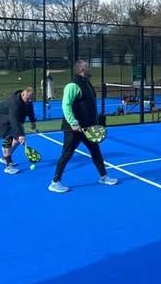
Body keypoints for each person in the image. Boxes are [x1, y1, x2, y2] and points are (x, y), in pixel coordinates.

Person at [49, 60, 118, 193]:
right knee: (67, 154)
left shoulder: (86, 83)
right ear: (81, 69)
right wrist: (73, 123)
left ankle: (104, 176)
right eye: (87, 66)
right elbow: (66, 105)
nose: (89, 68)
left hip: (88, 128)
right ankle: (55, 182)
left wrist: (96, 122)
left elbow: (89, 106)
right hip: (73, 129)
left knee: (96, 152)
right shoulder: (72, 85)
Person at [0, 86, 37, 175]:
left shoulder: (28, 101)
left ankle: (5, 157)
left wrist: (33, 122)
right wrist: (20, 134)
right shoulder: (14, 102)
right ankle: (8, 165)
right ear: (23, 94)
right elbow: (14, 120)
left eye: (31, 99)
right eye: (28, 98)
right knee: (9, 137)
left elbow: (30, 110)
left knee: (17, 140)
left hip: (12, 120)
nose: (29, 101)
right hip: (0, 119)